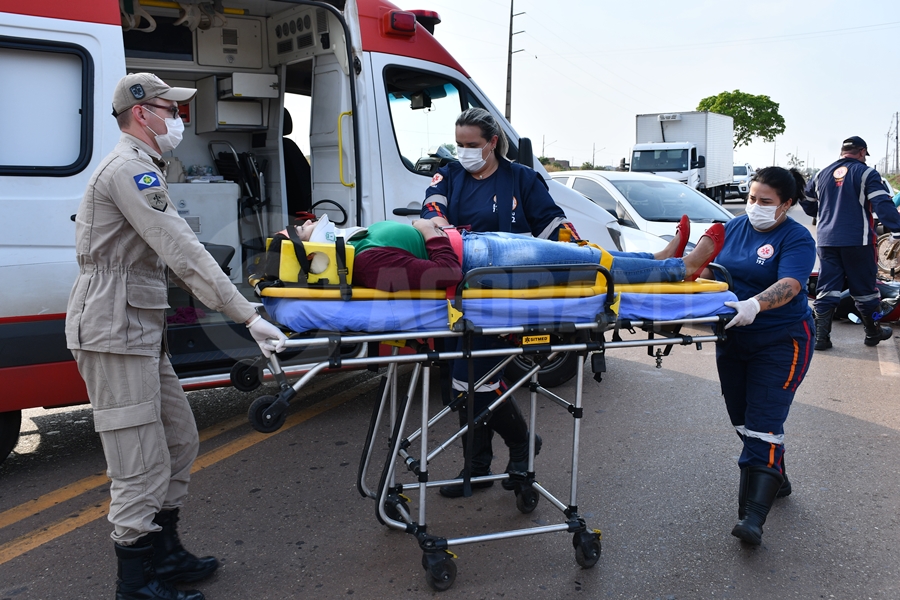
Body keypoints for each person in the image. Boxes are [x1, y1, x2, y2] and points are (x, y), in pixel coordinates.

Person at [65, 73, 288, 600]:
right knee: (137, 456)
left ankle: (164, 553)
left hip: (137, 323)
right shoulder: (129, 170)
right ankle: (135, 582)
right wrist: (246, 315)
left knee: (178, 438)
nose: (179, 119)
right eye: (172, 109)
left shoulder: (149, 166)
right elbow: (179, 245)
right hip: (112, 327)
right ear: (143, 113)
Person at [415, 106, 712, 498]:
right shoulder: (449, 175)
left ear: (492, 143)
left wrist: (579, 256)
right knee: (460, 388)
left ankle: (500, 457)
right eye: (459, 145)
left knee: (472, 382)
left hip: (511, 292)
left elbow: (554, 228)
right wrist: (437, 228)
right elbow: (431, 213)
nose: (464, 152)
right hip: (460, 288)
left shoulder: (521, 178)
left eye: (472, 145)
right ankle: (491, 459)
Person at [703, 167, 816, 546]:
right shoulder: (732, 228)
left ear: (786, 204)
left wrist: (754, 304)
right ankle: (775, 475)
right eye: (752, 198)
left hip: (782, 340)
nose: (755, 206)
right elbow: (700, 269)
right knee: (742, 419)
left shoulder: (797, 238)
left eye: (765, 201)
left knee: (763, 423)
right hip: (735, 338)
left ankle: (752, 518)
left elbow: (790, 284)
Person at [289, 216, 724, 291]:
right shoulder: (366, 262)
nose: (306, 221)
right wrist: (429, 229)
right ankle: (676, 269)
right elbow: (446, 276)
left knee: (575, 250)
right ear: (309, 249)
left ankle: (658, 258)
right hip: (480, 262)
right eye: (298, 228)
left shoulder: (354, 244)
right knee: (585, 265)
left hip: (478, 242)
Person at [801, 136, 900, 349]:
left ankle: (821, 337)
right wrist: (897, 228)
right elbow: (882, 203)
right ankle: (873, 332)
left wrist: (826, 211)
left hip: (827, 240)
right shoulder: (866, 173)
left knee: (827, 287)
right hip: (858, 240)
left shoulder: (821, 174)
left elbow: (807, 202)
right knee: (865, 289)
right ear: (862, 152)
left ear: (842, 151)